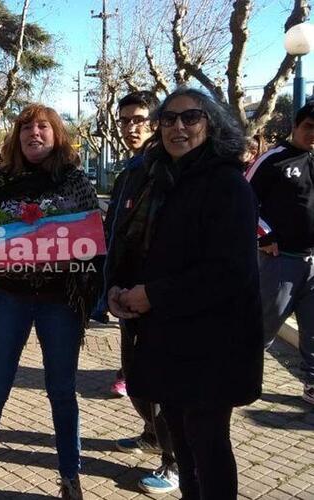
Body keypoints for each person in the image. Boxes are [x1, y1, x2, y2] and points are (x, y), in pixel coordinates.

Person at [108, 88, 263, 499]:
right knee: (184, 446)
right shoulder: (162, 179)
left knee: (208, 448)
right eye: (169, 119)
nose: (179, 126)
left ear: (210, 125)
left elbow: (230, 272)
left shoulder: (226, 184)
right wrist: (119, 289)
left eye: (191, 117)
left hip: (214, 345)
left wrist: (152, 295)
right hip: (170, 340)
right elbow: (140, 246)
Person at [0, 103, 100, 500]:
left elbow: (94, 236)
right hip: (7, 297)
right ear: (17, 137)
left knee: (61, 390)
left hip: (60, 301)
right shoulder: (0, 179)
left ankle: (71, 478)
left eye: (42, 127)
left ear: (56, 134)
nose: (33, 133)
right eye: (25, 128)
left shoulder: (74, 180)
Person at [100, 91, 179, 495]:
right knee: (135, 376)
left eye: (140, 119)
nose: (132, 127)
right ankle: (152, 436)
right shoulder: (132, 169)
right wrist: (111, 284)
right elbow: (120, 232)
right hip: (128, 293)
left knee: (161, 384)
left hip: (158, 299)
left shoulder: (165, 168)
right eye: (125, 120)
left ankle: (176, 461)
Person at [245, 103, 314, 404]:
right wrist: (264, 236)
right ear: (296, 126)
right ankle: (239, 373)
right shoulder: (273, 160)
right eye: (309, 126)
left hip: (312, 261)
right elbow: (243, 200)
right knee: (264, 325)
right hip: (279, 261)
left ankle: (312, 383)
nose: (313, 134)